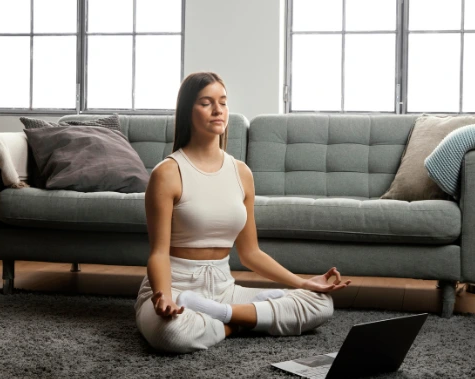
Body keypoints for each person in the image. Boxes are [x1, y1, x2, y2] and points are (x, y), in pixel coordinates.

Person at [135, 71, 351, 354]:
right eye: (206, 103)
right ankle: (243, 319)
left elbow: (251, 253)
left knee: (320, 303)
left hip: (224, 290)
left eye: (223, 102)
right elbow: (159, 253)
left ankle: (221, 315)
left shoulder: (241, 173)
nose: (218, 110)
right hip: (175, 287)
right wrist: (162, 296)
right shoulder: (168, 173)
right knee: (173, 334)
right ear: (188, 111)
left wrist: (304, 282)